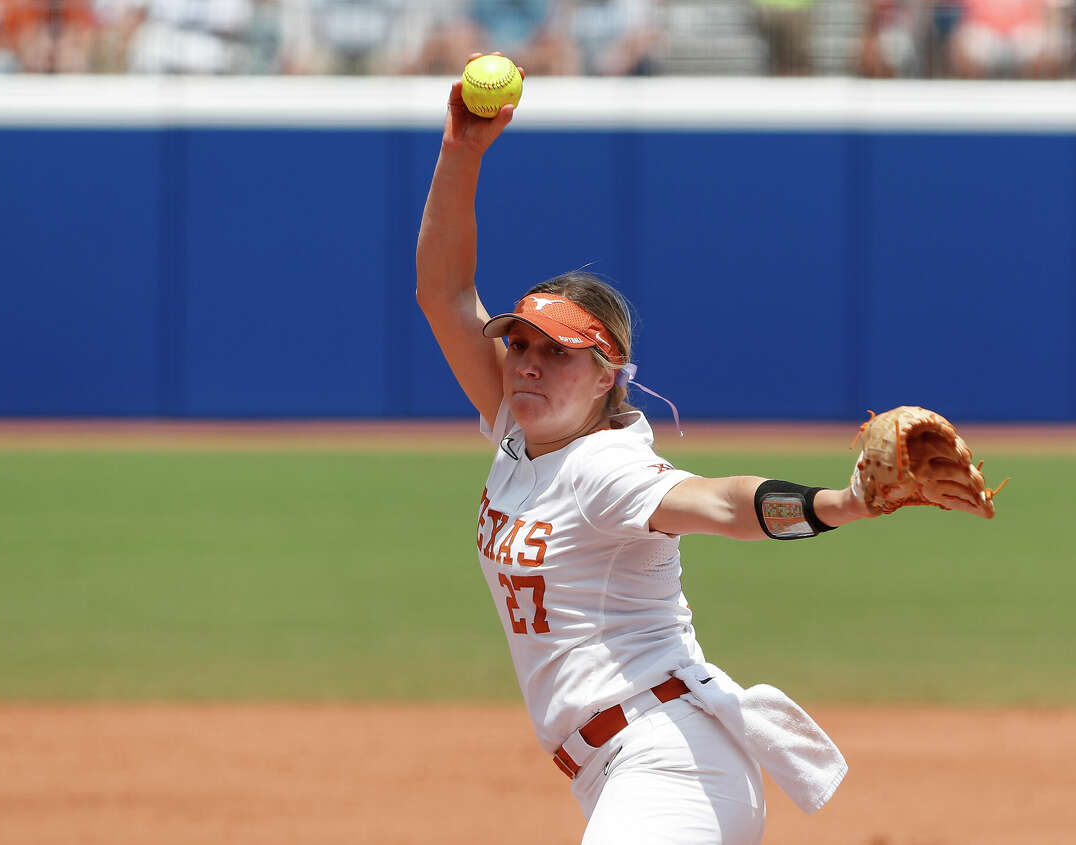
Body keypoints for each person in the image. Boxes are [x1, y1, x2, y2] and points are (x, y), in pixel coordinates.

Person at [415, 58, 986, 843]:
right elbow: (444, 293)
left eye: (557, 351)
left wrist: (840, 503)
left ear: (608, 375)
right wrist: (461, 151)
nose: (529, 363)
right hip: (615, 765)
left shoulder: (605, 468)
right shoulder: (519, 429)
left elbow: (720, 501)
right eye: (519, 344)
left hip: (673, 762)